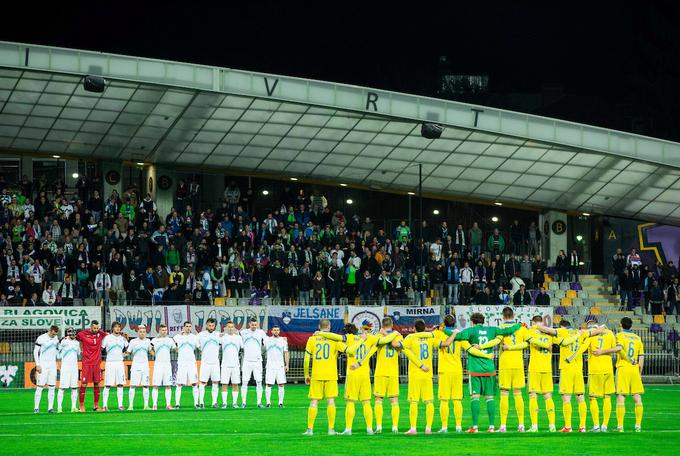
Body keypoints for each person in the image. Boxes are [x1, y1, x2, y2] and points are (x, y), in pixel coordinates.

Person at [442, 313, 521, 433]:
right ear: (483, 321)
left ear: (472, 322)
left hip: (475, 369)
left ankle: (474, 427)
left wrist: (444, 329)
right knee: (490, 398)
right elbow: (507, 330)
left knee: (475, 398)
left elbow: (456, 336)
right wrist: (519, 325)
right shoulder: (492, 330)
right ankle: (492, 427)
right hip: (489, 368)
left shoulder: (471, 330)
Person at [480, 307, 551, 433]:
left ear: (503, 316)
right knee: (518, 395)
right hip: (518, 365)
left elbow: (495, 342)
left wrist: (481, 346)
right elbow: (528, 343)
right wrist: (546, 345)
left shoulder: (501, 328)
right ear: (513, 315)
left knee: (504, 395)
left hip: (505, 365)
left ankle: (503, 426)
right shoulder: (521, 328)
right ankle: (522, 425)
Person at [537, 320, 605, 432]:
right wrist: (602, 326)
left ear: (562, 326)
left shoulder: (562, 331)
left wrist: (537, 325)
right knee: (580, 398)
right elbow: (597, 331)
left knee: (566, 398)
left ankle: (568, 426)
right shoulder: (580, 332)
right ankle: (582, 427)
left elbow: (545, 329)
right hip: (578, 369)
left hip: (566, 368)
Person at [434, 315, 492, 433]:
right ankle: (458, 426)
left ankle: (444, 427)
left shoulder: (439, 333)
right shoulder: (461, 335)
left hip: (444, 370)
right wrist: (486, 355)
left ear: (444, 324)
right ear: (455, 323)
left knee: (444, 400)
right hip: (457, 370)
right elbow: (471, 349)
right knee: (457, 400)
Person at [397, 319, 456, 435]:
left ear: (414, 328)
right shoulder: (430, 337)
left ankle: (413, 428)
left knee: (414, 402)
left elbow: (401, 348)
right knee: (429, 402)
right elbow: (445, 343)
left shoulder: (410, 337)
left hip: (415, 374)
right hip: (427, 374)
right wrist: (454, 333)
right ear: (424, 328)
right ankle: (428, 428)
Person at [592, 317, 644, 432]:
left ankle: (620, 426)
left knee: (621, 397)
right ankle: (638, 425)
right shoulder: (637, 338)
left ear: (621, 324)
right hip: (635, 369)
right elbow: (641, 356)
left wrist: (602, 351)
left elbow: (619, 349)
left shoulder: (620, 336)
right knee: (637, 396)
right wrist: (639, 372)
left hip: (623, 368)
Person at [303, 318, 348, 436]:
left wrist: (307, 375)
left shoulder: (312, 339)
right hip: (331, 374)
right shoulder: (334, 339)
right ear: (329, 327)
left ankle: (310, 429)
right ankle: (331, 429)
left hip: (316, 374)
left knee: (314, 401)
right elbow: (348, 350)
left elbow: (307, 360)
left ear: (319, 326)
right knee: (331, 401)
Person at [581, 322, 617, 432]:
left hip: (595, 370)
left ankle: (596, 426)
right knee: (607, 397)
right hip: (608, 369)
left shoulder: (590, 335)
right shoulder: (610, 333)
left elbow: (582, 349)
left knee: (592, 397)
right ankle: (605, 426)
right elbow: (616, 348)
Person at [76, 320, 108, 412]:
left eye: (97, 328)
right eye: (94, 328)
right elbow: (75, 338)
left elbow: (109, 335)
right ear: (91, 327)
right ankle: (81, 405)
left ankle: (96, 405)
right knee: (84, 384)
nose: (96, 330)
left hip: (97, 363)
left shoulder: (101, 334)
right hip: (86, 363)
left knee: (97, 383)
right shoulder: (83, 334)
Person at [101, 322, 128, 412]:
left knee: (120, 384)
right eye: (116, 327)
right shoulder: (107, 338)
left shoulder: (123, 339)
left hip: (120, 363)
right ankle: (105, 405)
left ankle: (120, 405)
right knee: (108, 384)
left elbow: (128, 349)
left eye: (119, 327)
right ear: (112, 328)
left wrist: (123, 355)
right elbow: (101, 348)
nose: (118, 329)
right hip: (110, 363)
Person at [240, 317, 266, 408]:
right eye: (252, 324)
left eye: (255, 324)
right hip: (247, 361)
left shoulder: (261, 332)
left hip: (258, 361)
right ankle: (243, 402)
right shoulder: (243, 332)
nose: (254, 326)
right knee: (244, 382)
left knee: (259, 382)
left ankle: (259, 403)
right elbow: (235, 334)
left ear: (257, 324)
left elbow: (268, 341)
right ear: (249, 324)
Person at [33, 325, 60, 413]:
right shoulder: (41, 338)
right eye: (53, 334)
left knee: (52, 387)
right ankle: (36, 408)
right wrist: (37, 364)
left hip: (52, 365)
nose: (54, 335)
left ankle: (50, 408)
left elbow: (56, 351)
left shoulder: (56, 338)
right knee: (40, 386)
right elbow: (35, 351)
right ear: (50, 330)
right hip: (43, 365)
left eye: (55, 334)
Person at [173, 321, 199, 409]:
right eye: (187, 326)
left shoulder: (194, 337)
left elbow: (199, 347)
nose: (188, 328)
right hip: (182, 363)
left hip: (192, 363)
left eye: (190, 326)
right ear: (183, 327)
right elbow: (173, 345)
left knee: (194, 383)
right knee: (179, 384)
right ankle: (177, 404)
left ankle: (196, 403)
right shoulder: (177, 337)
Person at [126, 325, 152, 411]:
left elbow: (151, 351)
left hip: (145, 366)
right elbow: (128, 352)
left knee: (146, 386)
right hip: (136, 365)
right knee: (133, 386)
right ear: (138, 332)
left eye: (144, 332)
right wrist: (120, 355)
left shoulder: (148, 341)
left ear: (145, 333)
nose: (142, 333)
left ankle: (146, 405)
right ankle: (130, 406)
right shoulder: (133, 342)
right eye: (140, 331)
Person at [198, 317, 222, 409]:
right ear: (206, 325)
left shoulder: (218, 335)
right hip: (205, 362)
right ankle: (201, 402)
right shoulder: (200, 335)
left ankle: (214, 402)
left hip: (215, 362)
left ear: (215, 326)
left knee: (215, 382)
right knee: (202, 382)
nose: (211, 327)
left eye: (213, 325)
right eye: (209, 325)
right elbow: (197, 345)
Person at [151, 324, 176, 410]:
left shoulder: (170, 340)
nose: (164, 332)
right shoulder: (154, 340)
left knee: (168, 385)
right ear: (159, 331)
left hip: (167, 365)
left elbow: (175, 349)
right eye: (162, 330)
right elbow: (150, 349)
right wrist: (155, 355)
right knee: (155, 385)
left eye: (165, 330)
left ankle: (168, 405)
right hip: (158, 364)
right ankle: (154, 405)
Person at [264, 325, 289, 408]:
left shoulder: (283, 341)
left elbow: (286, 353)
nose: (276, 331)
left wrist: (287, 364)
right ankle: (268, 403)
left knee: (281, 384)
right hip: (270, 365)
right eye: (274, 330)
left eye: (277, 330)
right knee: (269, 384)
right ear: (271, 331)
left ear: (279, 331)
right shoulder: (267, 340)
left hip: (280, 366)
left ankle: (280, 403)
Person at [220, 320, 243, 409]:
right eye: (228, 327)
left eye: (232, 327)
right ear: (226, 328)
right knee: (224, 384)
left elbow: (243, 347)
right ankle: (224, 403)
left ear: (234, 328)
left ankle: (234, 403)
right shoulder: (222, 338)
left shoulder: (238, 338)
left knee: (235, 384)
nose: (230, 329)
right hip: (225, 364)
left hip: (235, 364)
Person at [57, 327, 80, 413]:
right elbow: (58, 351)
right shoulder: (64, 342)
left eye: (73, 332)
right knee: (62, 387)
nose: (72, 334)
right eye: (71, 333)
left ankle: (73, 407)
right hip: (65, 367)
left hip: (74, 367)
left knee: (74, 387)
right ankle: (59, 408)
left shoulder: (77, 343)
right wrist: (59, 361)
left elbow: (78, 353)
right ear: (68, 333)